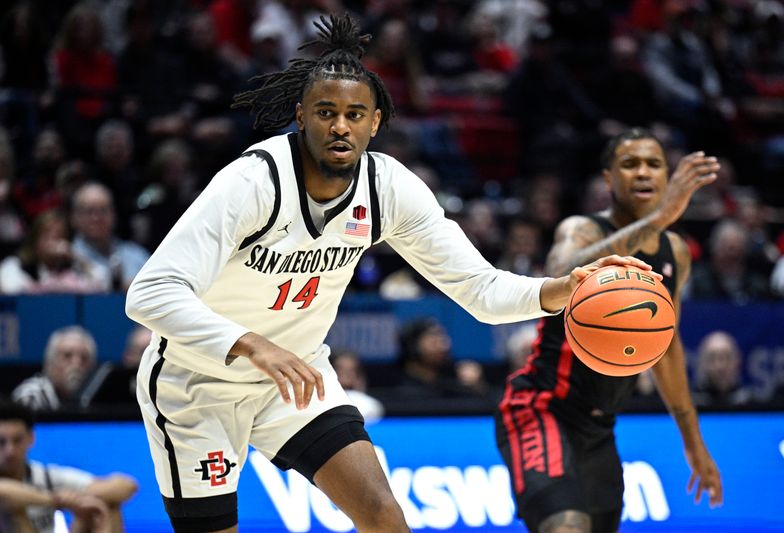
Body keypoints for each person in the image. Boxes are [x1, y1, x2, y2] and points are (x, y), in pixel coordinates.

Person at [125, 14, 654, 533]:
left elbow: (479, 289)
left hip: (296, 382)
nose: (340, 126)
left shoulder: (389, 189)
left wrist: (560, 289)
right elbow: (149, 293)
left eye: (356, 114)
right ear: (301, 115)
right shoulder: (252, 182)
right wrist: (253, 345)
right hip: (196, 385)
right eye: (326, 111)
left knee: (384, 517)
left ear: (375, 123)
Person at [495, 128, 723, 533]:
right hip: (541, 408)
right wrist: (659, 219)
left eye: (654, 164)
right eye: (629, 164)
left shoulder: (676, 253)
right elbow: (559, 272)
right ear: (607, 178)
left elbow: (667, 349)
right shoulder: (581, 229)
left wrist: (693, 441)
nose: (642, 173)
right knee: (566, 526)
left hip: (601, 425)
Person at [0, 400, 138, 533]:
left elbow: (126, 486)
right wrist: (55, 500)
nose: (10, 451)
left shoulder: (44, 476)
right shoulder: (48, 493)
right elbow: (5, 493)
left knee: (108, 505)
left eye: (17, 440)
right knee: (15, 510)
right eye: (2, 442)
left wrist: (75, 499)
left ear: (31, 438)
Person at [70, 182, 150, 292]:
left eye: (103, 210)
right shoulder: (66, 257)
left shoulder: (137, 255)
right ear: (74, 217)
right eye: (89, 211)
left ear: (114, 214)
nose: (96, 218)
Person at [12, 326, 98, 412]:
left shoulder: (96, 397)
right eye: (67, 356)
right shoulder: (31, 397)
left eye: (84, 358)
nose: (76, 364)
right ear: (50, 363)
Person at [692, 330, 756, 408]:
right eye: (712, 358)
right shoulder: (690, 404)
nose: (720, 366)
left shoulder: (751, 402)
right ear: (703, 363)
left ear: (737, 361)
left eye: (727, 357)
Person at [329, 350, 384, 424]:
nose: (347, 374)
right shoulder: (320, 405)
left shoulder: (370, 405)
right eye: (340, 369)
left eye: (352, 370)